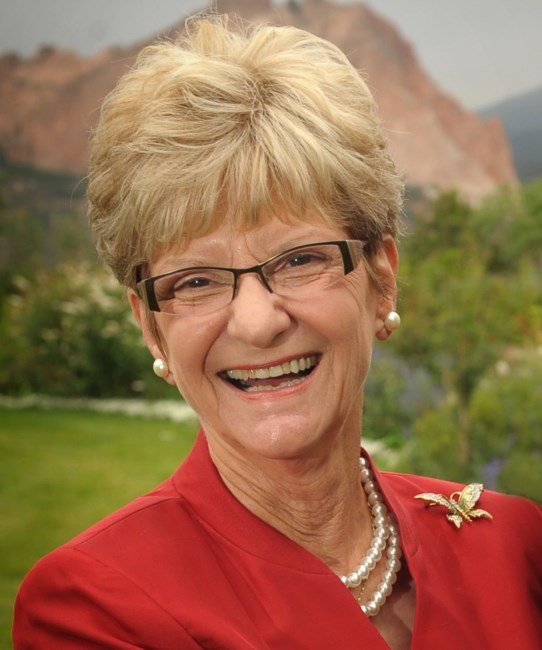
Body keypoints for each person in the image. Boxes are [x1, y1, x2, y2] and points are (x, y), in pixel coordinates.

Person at [13, 14, 542, 650]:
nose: (258, 322)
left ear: (381, 279)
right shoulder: (95, 608)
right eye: (196, 281)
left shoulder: (515, 547)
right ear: (151, 328)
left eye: (299, 260)